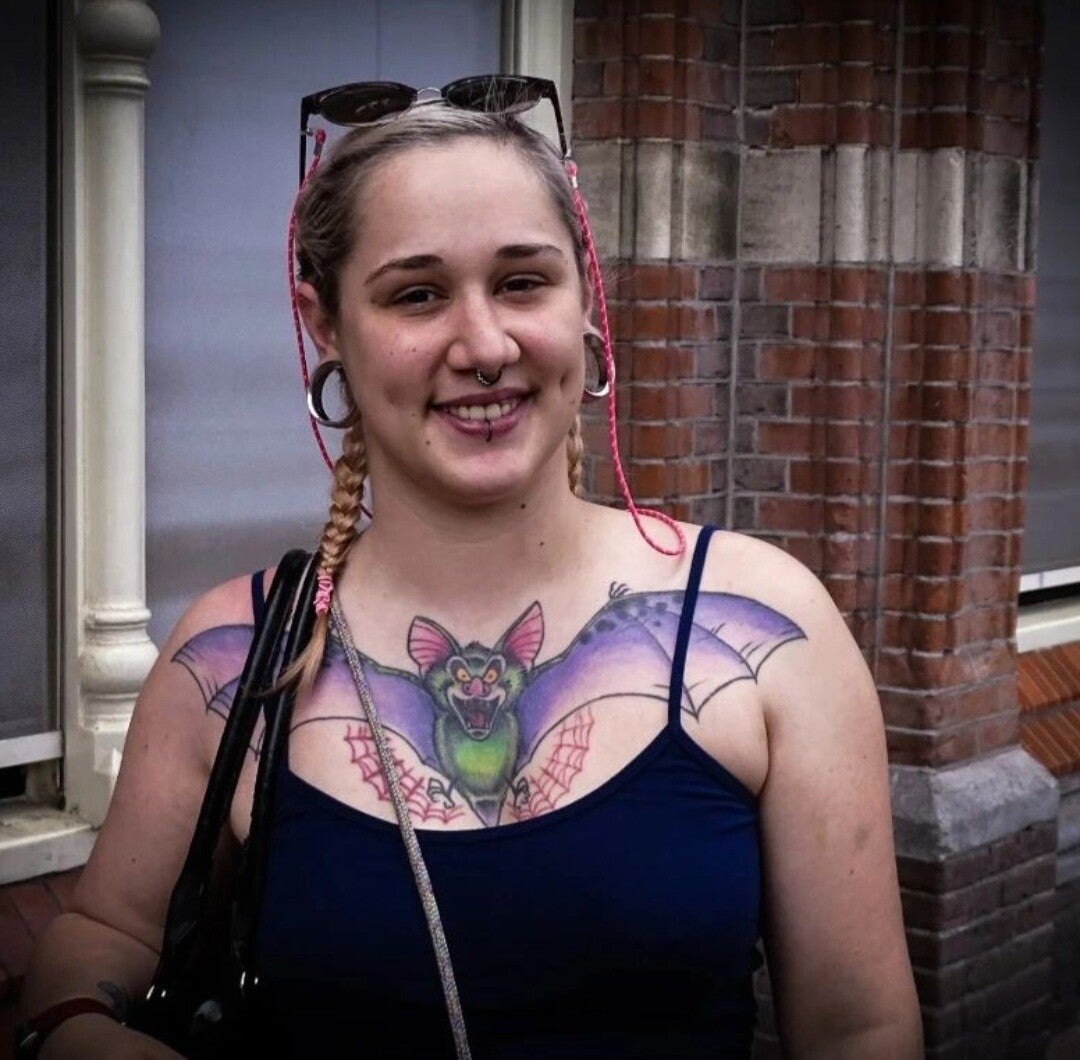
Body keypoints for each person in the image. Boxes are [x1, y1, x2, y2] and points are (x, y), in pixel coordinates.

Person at [20, 77, 922, 1058]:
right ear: (325, 324)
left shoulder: (762, 626)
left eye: (524, 281)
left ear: (586, 295)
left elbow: (858, 1028)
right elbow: (104, 933)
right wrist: (74, 1028)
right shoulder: (236, 656)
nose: (485, 346)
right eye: (417, 294)